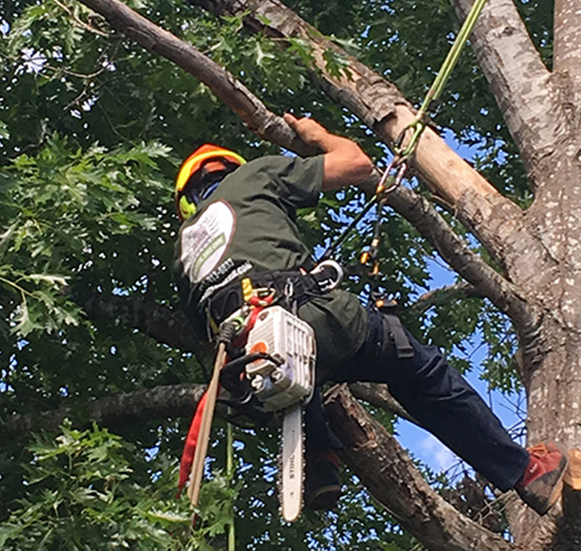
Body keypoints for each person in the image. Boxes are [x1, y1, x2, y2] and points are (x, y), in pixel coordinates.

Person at [174, 113, 568, 515]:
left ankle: (320, 459)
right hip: (317, 319)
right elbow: (356, 164)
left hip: (247, 372)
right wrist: (319, 136)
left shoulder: (183, 253)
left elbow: (208, 337)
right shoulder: (255, 175)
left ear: (188, 200)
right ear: (230, 169)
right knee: (422, 374)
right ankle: (527, 472)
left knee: (301, 371)